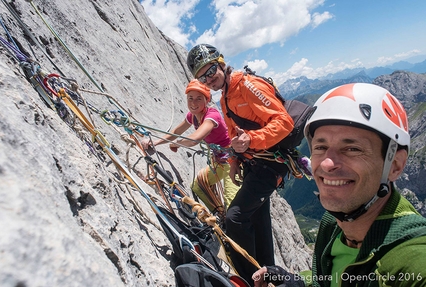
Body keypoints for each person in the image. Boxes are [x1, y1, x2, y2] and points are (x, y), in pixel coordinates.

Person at [252, 83, 426, 287]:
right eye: (320, 147)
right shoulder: (333, 226)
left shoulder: (414, 265)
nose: (326, 163)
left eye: (352, 149)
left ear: (395, 166)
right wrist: (298, 283)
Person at [187, 44, 295, 285]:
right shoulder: (225, 96)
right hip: (254, 165)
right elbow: (236, 133)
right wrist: (235, 162)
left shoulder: (247, 85)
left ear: (222, 63)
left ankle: (249, 279)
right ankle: (268, 275)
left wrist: (253, 140)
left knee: (235, 219)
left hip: (270, 165)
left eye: (212, 69)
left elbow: (284, 122)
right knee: (258, 220)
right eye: (203, 75)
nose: (210, 77)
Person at [141, 79, 239, 214]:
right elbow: (176, 132)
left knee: (232, 202)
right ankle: (219, 216)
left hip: (234, 161)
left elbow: (195, 139)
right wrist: (156, 142)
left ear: (207, 100)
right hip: (219, 161)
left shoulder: (212, 116)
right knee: (198, 186)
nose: (193, 103)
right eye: (190, 98)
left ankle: (232, 228)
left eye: (199, 98)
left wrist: (177, 144)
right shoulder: (192, 116)